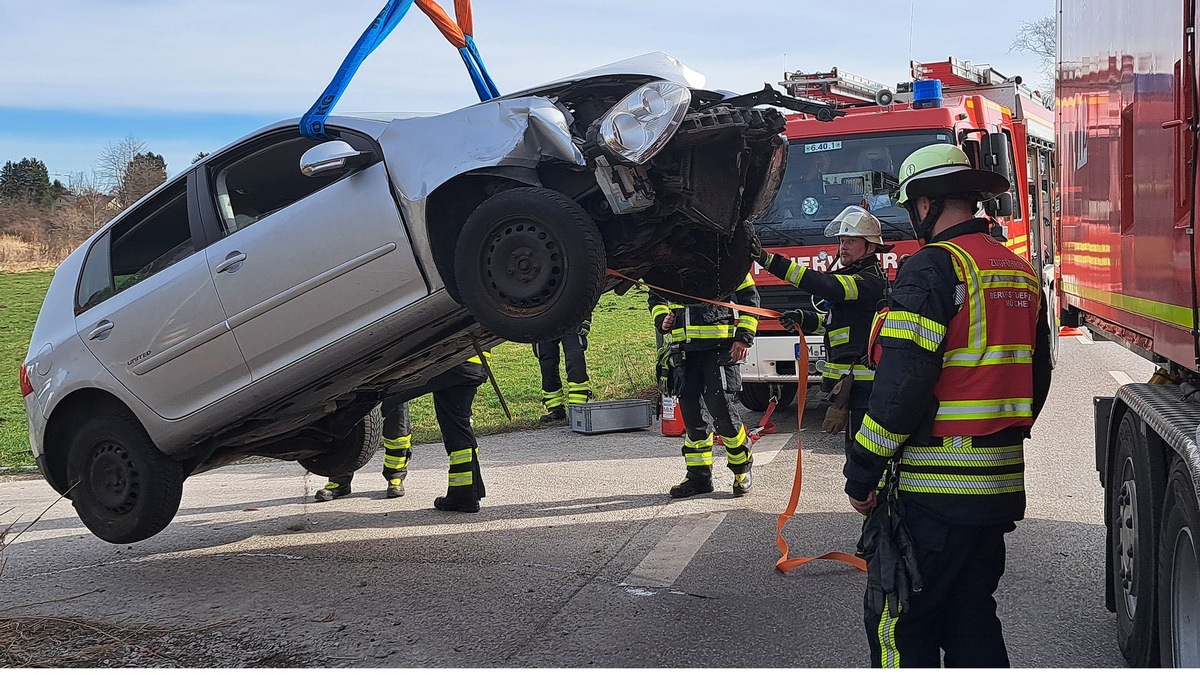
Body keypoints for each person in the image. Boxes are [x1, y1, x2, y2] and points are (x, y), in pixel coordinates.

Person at [844, 144, 1053, 667]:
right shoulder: (1019, 271)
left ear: (925, 203)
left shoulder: (933, 268)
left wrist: (862, 475)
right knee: (971, 619)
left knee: (897, 622)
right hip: (998, 488)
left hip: (932, 492)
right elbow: (1038, 376)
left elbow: (902, 385)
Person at [753, 205, 890, 456]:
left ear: (871, 247)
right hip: (853, 389)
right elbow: (836, 323)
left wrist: (769, 261)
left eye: (851, 241)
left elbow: (826, 285)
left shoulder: (869, 281)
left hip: (865, 390)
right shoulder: (856, 276)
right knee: (856, 455)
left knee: (864, 458)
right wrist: (803, 318)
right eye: (841, 241)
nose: (843, 247)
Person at [314, 353, 490, 513]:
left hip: (443, 361)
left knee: (369, 402)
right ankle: (465, 495)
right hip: (473, 365)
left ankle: (341, 474)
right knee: (458, 428)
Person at [650, 274, 760, 498]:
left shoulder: (727, 255)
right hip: (685, 351)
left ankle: (742, 469)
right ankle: (698, 477)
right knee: (693, 418)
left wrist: (744, 337)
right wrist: (662, 318)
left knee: (723, 413)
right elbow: (655, 295)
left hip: (719, 349)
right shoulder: (670, 261)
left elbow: (750, 298)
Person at [532, 316, 591, 422]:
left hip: (571, 318)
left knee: (575, 359)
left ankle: (578, 408)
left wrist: (584, 318)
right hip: (541, 321)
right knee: (547, 365)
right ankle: (555, 410)